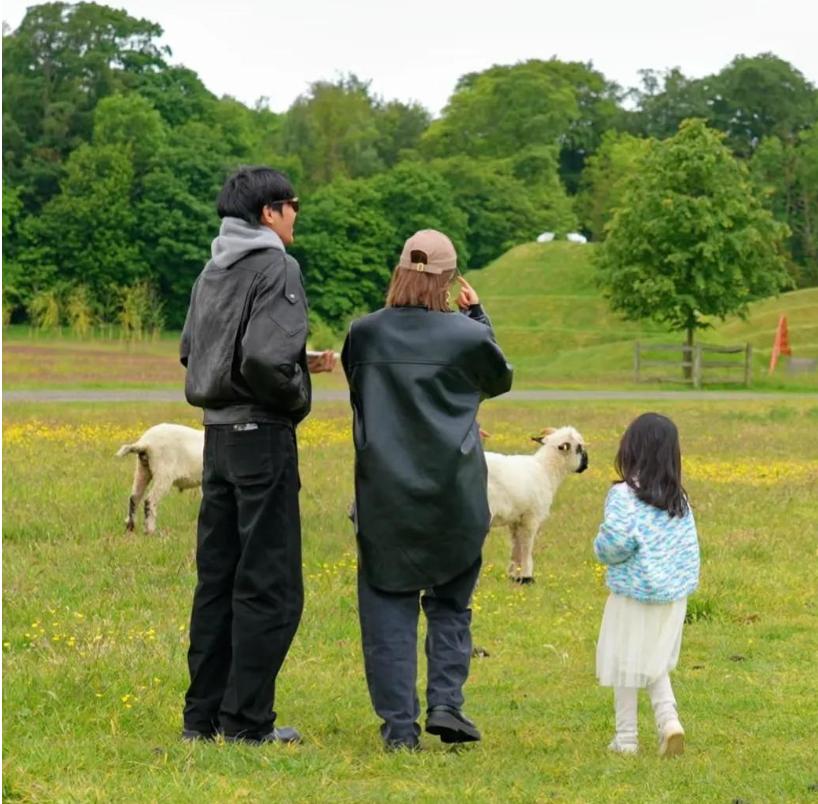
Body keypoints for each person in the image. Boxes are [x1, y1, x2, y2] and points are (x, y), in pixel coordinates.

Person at [179, 166, 335, 745]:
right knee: (269, 584)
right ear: (269, 212)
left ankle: (202, 718)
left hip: (215, 440)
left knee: (216, 579)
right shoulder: (278, 267)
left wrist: (297, 357)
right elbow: (266, 363)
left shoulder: (211, 270)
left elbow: (194, 352)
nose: (296, 214)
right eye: (292, 204)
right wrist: (297, 393)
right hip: (261, 439)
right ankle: (247, 723)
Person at [342, 229, 513, 751]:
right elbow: (498, 378)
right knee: (451, 602)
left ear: (399, 272)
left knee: (387, 606)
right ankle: (447, 704)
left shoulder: (364, 334)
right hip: (454, 492)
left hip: (384, 494)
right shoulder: (465, 336)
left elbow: (358, 386)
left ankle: (399, 729)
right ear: (447, 279)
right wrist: (478, 316)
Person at [593, 412, 700, 758]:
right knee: (653, 660)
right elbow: (689, 550)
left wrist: (601, 549)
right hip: (671, 598)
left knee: (626, 661)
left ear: (631, 450)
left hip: (633, 595)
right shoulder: (679, 501)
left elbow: (615, 543)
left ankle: (626, 739)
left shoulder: (624, 495)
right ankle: (669, 722)